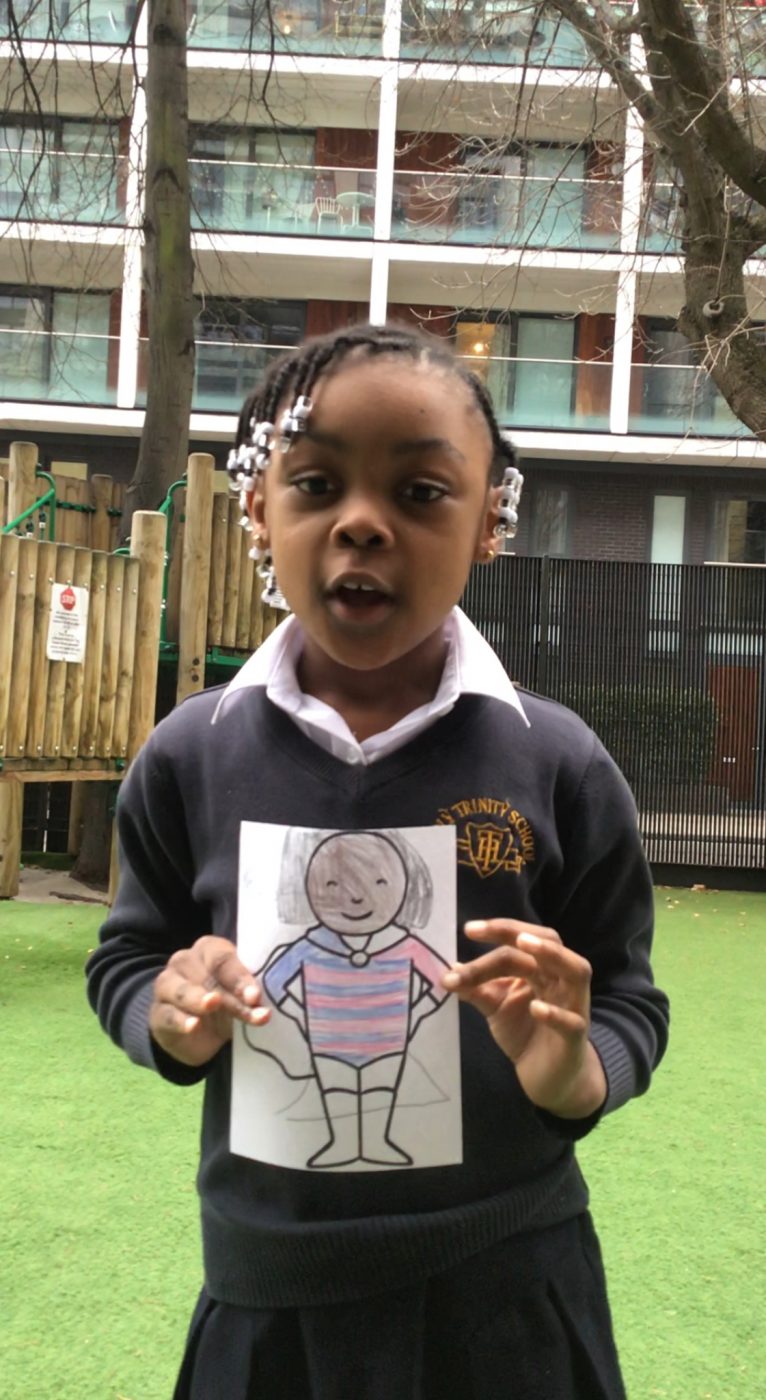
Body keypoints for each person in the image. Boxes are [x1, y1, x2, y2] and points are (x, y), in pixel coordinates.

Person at [87, 321, 669, 1400]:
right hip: (269, 1289)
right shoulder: (188, 756)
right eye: (316, 483)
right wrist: (164, 1013)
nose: (361, 521)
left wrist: (577, 1070)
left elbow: (628, 996)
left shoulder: (559, 763)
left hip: (512, 1290)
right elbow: (126, 959)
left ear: (490, 522)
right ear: (258, 510)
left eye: (420, 491)